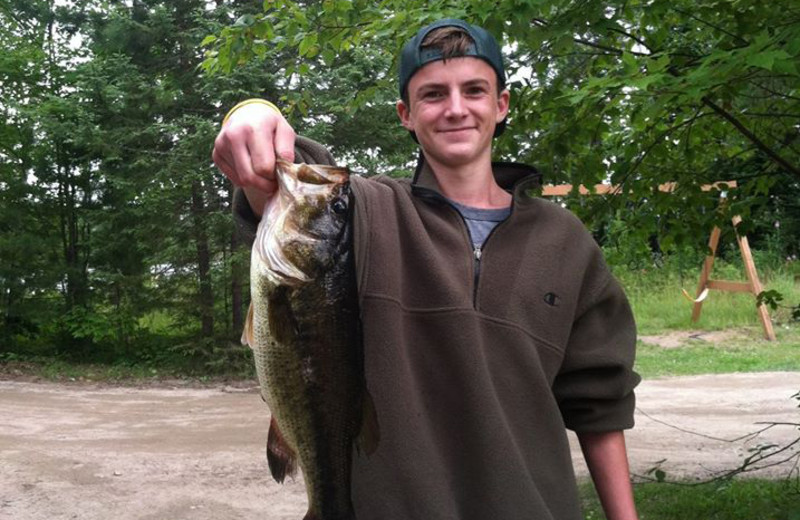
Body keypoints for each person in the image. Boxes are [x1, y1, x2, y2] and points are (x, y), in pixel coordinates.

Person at [214, 18, 641, 520]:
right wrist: (253, 113)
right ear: (406, 114)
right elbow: (287, 172)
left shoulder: (566, 242)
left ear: (501, 104)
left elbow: (600, 403)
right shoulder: (368, 210)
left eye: (474, 90)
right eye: (433, 94)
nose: (456, 108)